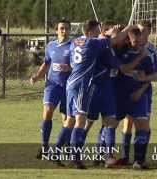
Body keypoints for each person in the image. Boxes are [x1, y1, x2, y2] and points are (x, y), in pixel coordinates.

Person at [66, 19, 138, 169]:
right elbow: (115, 42)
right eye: (98, 29)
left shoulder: (75, 41)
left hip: (74, 83)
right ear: (93, 31)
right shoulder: (96, 44)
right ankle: (74, 157)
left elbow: (72, 62)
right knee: (81, 122)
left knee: (102, 121)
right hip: (86, 86)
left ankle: (105, 156)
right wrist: (127, 28)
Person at [30, 18, 74, 166]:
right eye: (61, 28)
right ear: (57, 30)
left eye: (67, 28)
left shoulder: (74, 45)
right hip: (52, 85)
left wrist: (70, 68)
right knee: (47, 111)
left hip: (68, 87)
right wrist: (37, 75)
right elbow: (46, 63)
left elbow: (79, 64)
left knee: (66, 119)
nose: (64, 31)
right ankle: (44, 147)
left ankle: (67, 147)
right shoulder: (51, 45)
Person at [116, 21, 157, 168]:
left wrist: (143, 81)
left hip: (142, 94)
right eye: (139, 31)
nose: (141, 35)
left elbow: (154, 75)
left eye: (144, 31)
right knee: (125, 123)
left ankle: (139, 159)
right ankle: (123, 156)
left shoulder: (151, 51)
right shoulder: (126, 48)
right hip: (124, 93)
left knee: (142, 125)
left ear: (149, 33)